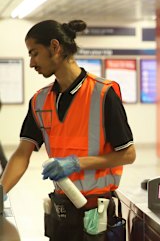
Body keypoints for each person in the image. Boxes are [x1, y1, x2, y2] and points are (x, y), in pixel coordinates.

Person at [0, 19, 136, 240]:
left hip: (97, 214)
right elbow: (22, 153)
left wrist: (76, 163)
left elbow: (128, 154)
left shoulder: (102, 94)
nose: (32, 63)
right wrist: (1, 189)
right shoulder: (40, 101)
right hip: (62, 211)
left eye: (34, 53)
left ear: (55, 47)